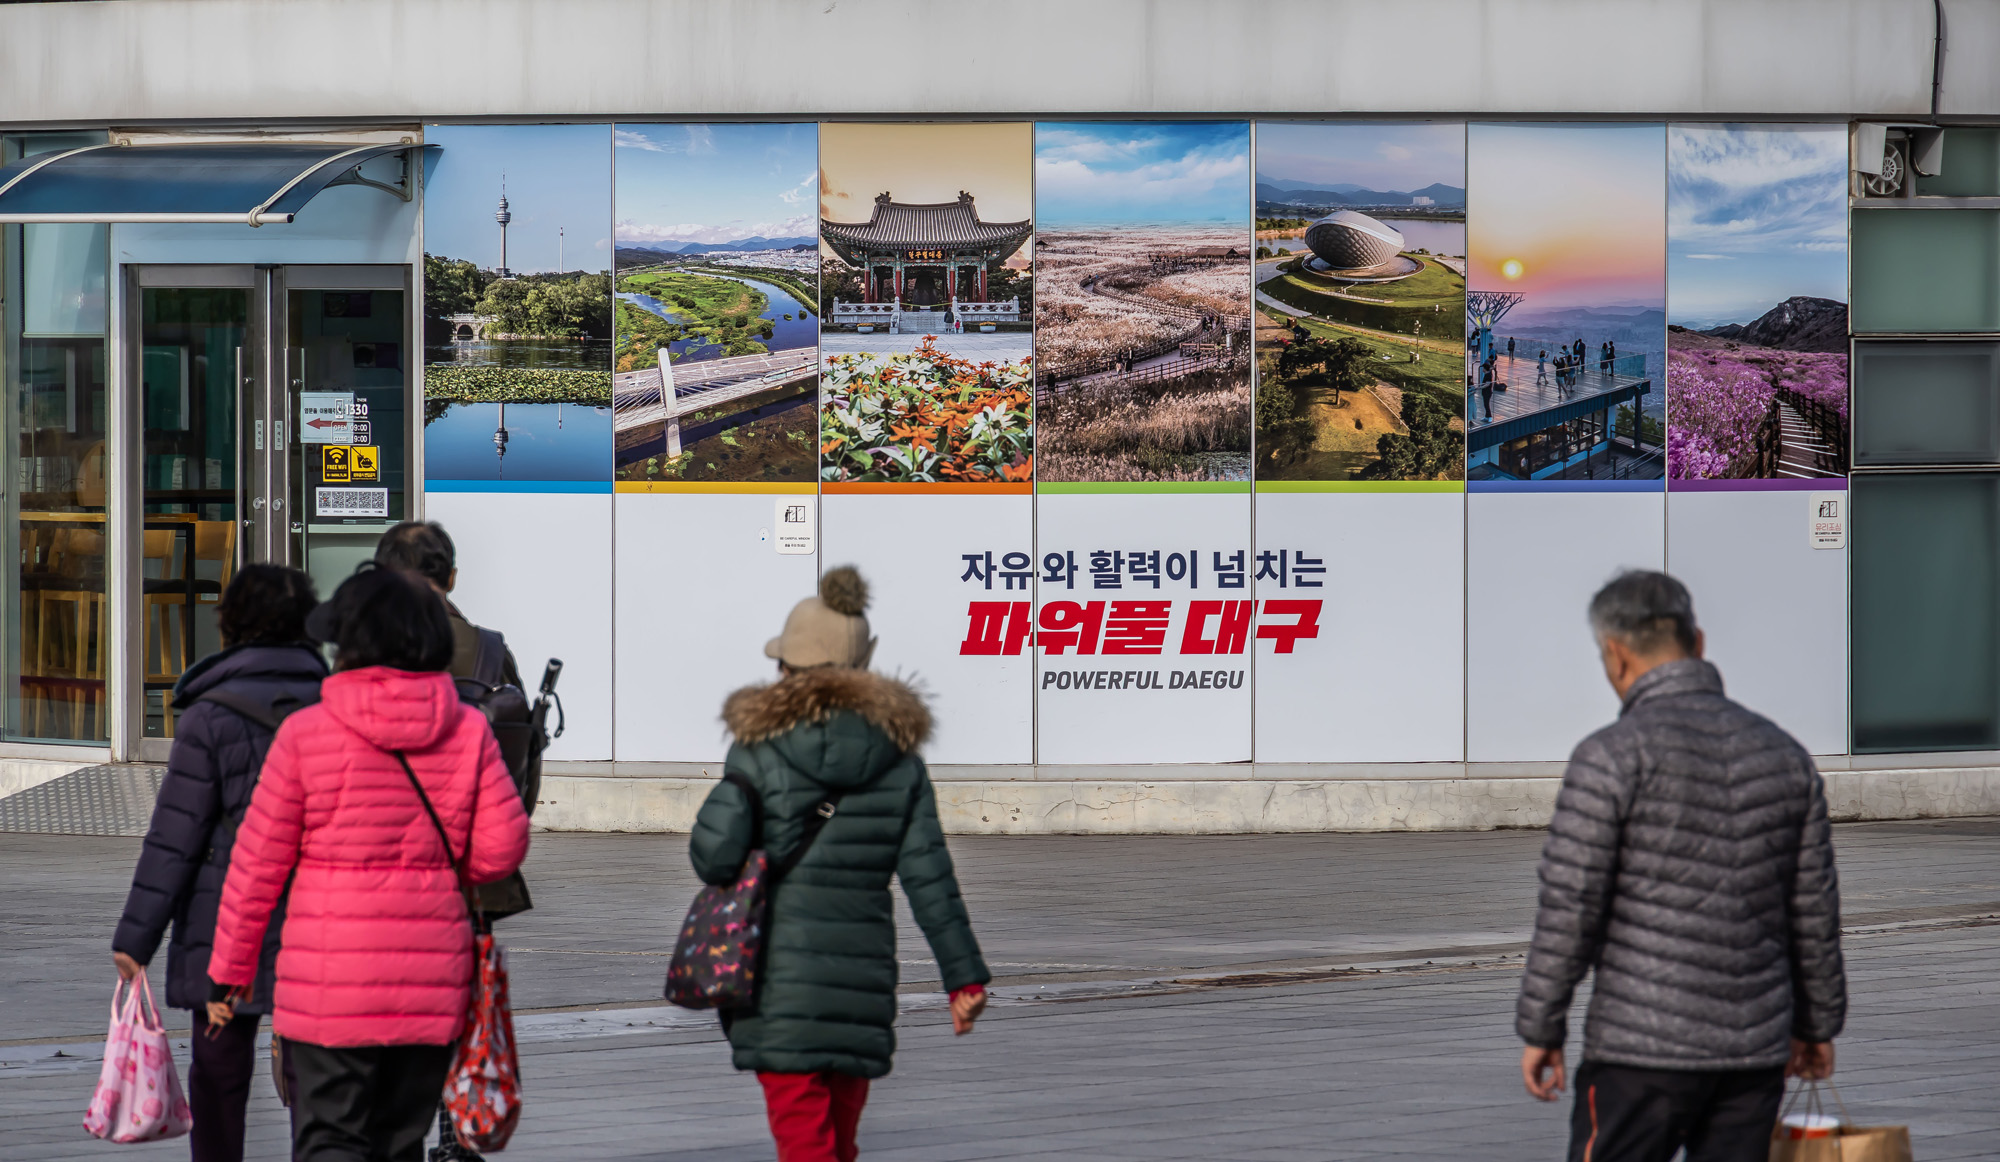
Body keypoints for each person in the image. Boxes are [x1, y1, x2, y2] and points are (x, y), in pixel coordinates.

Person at [1517, 571, 1845, 1162]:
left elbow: (1571, 907)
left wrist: (1542, 1027)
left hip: (1637, 1052)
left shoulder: (1610, 757)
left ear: (1615, 657)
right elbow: (1814, 911)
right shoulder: (1783, 754)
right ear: (1698, 642)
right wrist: (1817, 1023)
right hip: (1754, 1053)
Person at [209, 565, 530, 1162]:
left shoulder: (305, 734)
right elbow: (499, 853)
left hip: (327, 990)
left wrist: (231, 969)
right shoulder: (469, 732)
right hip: (431, 987)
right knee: (400, 1142)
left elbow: (256, 865)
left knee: (329, 1138)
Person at [691, 567, 989, 1162]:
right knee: (838, 1144)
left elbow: (713, 855)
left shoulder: (759, 748)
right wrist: (965, 976)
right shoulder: (900, 761)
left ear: (789, 669)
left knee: (805, 1145)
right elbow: (930, 877)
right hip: (862, 985)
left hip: (774, 985)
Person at [111, 565, 324, 1162]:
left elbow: (176, 835)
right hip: (318, 916)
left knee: (219, 1071)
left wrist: (136, 937)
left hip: (224, 918)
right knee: (315, 1070)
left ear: (229, 624)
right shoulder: (334, 704)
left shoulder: (209, 714)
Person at [372, 519, 532, 1162]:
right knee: (457, 1006)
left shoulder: (366, 642)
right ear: (453, 578)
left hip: (381, 869)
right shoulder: (489, 650)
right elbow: (521, 765)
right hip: (472, 871)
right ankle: (456, 1129)